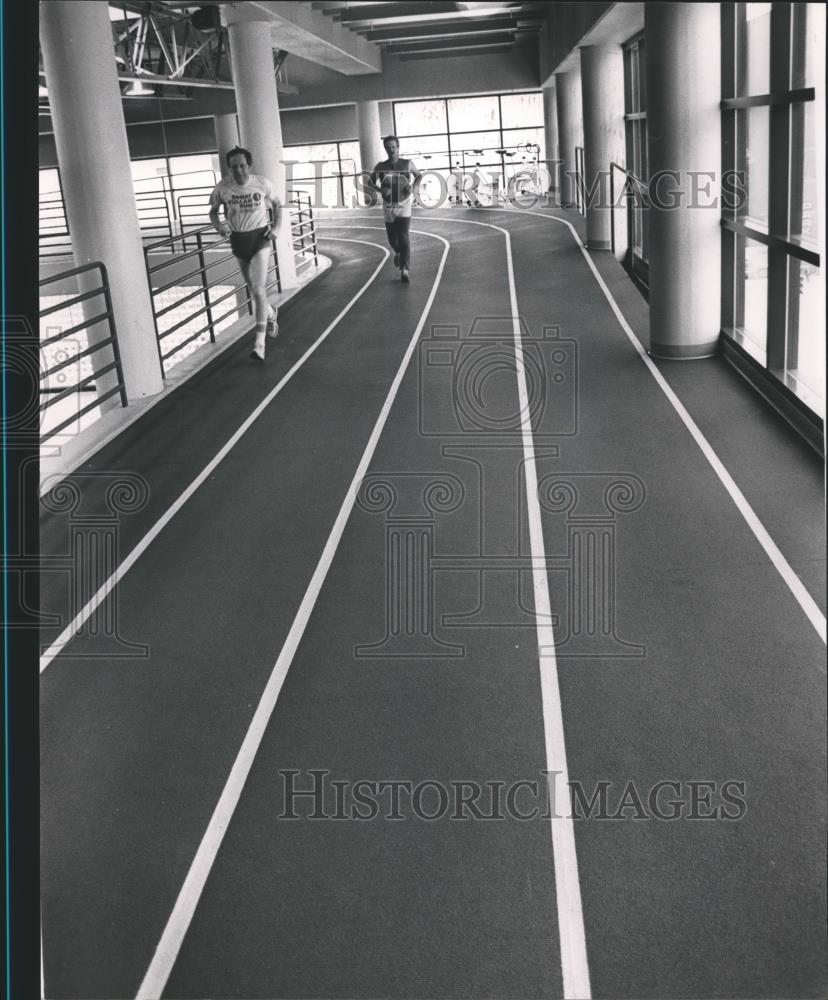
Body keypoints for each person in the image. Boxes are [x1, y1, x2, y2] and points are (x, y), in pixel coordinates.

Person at [208, 146, 281, 361]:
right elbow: (213, 212)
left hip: (260, 238)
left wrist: (276, 229)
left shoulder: (262, 183)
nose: (238, 171)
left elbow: (277, 205)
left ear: (249, 165)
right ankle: (270, 313)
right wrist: (219, 226)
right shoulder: (223, 188)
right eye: (234, 167)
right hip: (238, 240)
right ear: (229, 168)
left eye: (242, 166)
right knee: (254, 290)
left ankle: (259, 344)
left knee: (258, 289)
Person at [368, 136, 421, 283]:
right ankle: (398, 252)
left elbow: (419, 176)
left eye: (393, 147)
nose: (391, 150)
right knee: (392, 239)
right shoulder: (380, 166)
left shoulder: (407, 164)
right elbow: (369, 182)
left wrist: (413, 187)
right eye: (388, 147)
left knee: (404, 236)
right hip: (388, 205)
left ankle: (405, 269)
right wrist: (380, 190)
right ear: (385, 148)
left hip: (404, 204)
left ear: (398, 147)